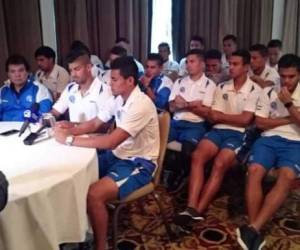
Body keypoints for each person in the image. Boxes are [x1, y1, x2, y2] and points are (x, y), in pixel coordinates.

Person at [53, 56, 159, 250]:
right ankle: (79, 231)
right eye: (110, 79)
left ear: (130, 81)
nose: (110, 83)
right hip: (119, 154)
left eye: (114, 79)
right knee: (75, 174)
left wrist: (69, 139)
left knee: (94, 194)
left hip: (139, 163)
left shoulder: (140, 104)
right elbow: (95, 123)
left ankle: (101, 246)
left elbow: (110, 141)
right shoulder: (118, 99)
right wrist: (70, 129)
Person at [173, 50, 261, 229]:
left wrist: (223, 116)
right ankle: (190, 207)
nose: (231, 67)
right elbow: (213, 117)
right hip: (218, 130)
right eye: (230, 63)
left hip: (238, 134)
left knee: (220, 163)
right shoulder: (222, 87)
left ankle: (198, 210)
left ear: (245, 67)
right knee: (198, 156)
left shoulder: (254, 89)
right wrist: (226, 117)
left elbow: (246, 120)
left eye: (235, 64)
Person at [236, 54, 300, 250]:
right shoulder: (268, 92)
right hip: (269, 139)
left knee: (286, 176)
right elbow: (261, 123)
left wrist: (289, 104)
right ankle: (256, 230)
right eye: (283, 76)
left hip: (296, 142)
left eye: (292, 76)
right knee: (254, 170)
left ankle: (253, 228)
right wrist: (290, 118)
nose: (287, 81)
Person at [167, 49, 216, 192]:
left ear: (202, 65)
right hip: (176, 122)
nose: (188, 65)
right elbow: (171, 107)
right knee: (156, 141)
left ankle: (182, 178)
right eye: (187, 61)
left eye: (192, 61)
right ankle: (162, 173)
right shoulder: (179, 81)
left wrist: (184, 104)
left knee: (188, 150)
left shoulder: (209, 85)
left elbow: (206, 111)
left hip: (196, 124)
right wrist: (193, 104)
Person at [51, 49, 111, 123]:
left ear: (89, 67)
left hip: (94, 134)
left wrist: (74, 127)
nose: (73, 74)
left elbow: (106, 126)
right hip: (71, 133)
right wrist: (45, 119)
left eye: (77, 69)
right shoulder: (70, 88)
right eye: (71, 70)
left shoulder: (104, 90)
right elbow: (55, 112)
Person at [0, 55, 53, 121]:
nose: (17, 75)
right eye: (13, 71)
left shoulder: (39, 89)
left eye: (21, 70)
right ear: (8, 74)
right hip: (5, 129)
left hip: (30, 129)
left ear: (27, 72)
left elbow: (44, 116)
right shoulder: (3, 91)